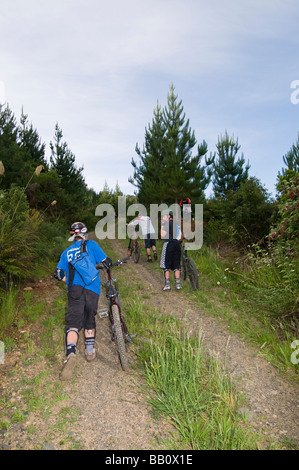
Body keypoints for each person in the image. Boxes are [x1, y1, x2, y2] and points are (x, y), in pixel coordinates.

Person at [54, 222, 112, 381]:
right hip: (92, 288)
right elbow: (106, 261)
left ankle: (71, 353)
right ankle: (89, 351)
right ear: (84, 234)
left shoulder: (66, 252)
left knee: (73, 322)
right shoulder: (91, 245)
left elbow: (58, 273)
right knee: (89, 319)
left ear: (72, 236)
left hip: (75, 290)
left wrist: (69, 282)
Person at [160, 210, 182, 291]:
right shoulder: (177, 224)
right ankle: (178, 285)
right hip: (177, 244)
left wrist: (162, 225)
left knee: (166, 265)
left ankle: (167, 285)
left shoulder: (167, 223)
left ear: (169, 216)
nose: (163, 217)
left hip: (168, 244)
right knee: (177, 265)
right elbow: (180, 236)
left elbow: (162, 235)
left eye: (164, 216)